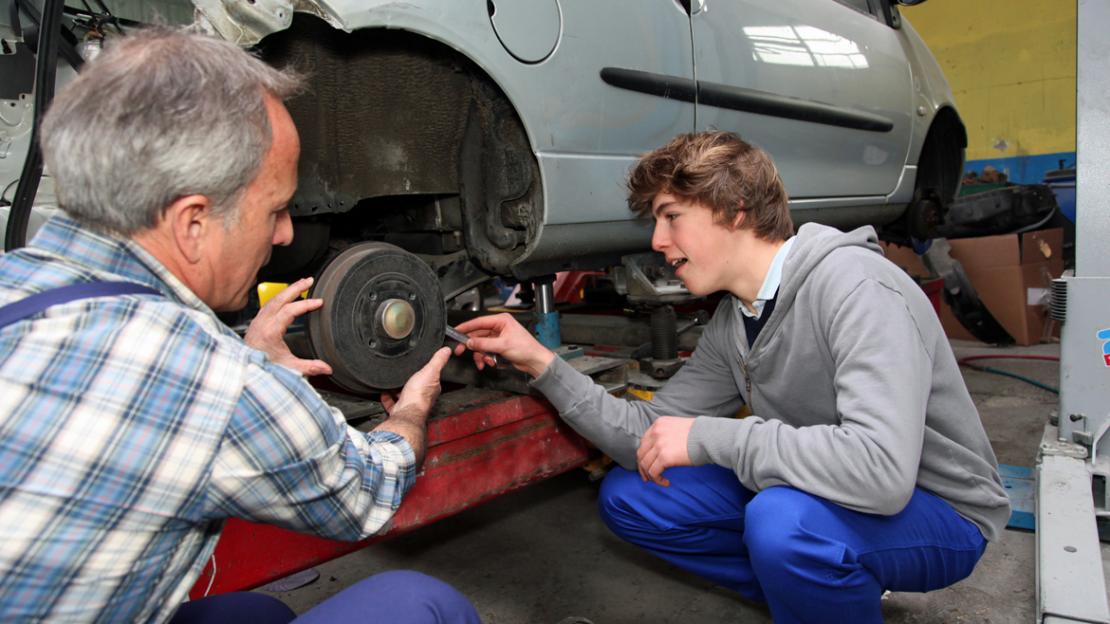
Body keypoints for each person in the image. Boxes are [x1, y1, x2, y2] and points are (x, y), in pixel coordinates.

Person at [0, 28, 478, 623]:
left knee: (255, 615)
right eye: (276, 209)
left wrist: (238, 348)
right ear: (192, 224)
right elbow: (368, 494)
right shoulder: (217, 385)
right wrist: (409, 412)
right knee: (420, 603)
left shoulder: (16, 280)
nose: (283, 235)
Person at [455, 131, 1010, 623]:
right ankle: (810, 594)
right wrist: (540, 363)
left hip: (938, 508)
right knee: (634, 496)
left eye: (672, 216)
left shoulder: (858, 288)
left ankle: (812, 579)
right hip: (826, 487)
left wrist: (713, 438)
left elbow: (881, 473)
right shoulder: (735, 321)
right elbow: (644, 435)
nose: (656, 241)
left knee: (782, 523)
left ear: (736, 210)